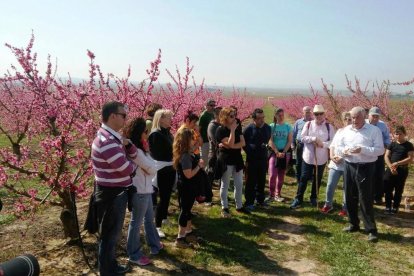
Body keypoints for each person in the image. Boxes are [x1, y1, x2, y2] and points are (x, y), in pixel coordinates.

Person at [91, 101, 137, 275]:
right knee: (110, 235)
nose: (126, 118)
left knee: (112, 233)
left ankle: (110, 265)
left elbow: (131, 155)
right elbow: (127, 168)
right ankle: (107, 270)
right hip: (112, 196)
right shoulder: (107, 141)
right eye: (123, 115)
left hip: (114, 193)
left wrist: (128, 146)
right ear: (112, 116)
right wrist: (134, 166)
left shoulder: (112, 137)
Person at [335, 106, 384, 242]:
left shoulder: (374, 131)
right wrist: (344, 151)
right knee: (349, 196)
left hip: (366, 167)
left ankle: (371, 229)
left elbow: (380, 150)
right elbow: (338, 146)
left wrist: (362, 149)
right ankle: (353, 223)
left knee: (365, 198)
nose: (354, 120)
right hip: (349, 165)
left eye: (357, 117)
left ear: (364, 117)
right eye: (352, 117)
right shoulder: (345, 131)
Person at [124, 118, 163, 266]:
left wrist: (149, 168)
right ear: (139, 132)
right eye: (145, 132)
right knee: (136, 222)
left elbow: (151, 167)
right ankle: (133, 253)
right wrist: (150, 168)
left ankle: (154, 244)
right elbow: (152, 168)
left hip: (145, 189)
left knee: (149, 219)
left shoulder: (140, 148)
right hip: (139, 190)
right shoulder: (136, 151)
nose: (147, 134)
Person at [290, 105, 335, 209]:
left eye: (320, 113)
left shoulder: (329, 127)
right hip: (308, 157)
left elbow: (333, 142)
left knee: (317, 179)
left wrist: (322, 144)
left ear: (324, 114)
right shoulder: (308, 124)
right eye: (316, 114)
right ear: (313, 115)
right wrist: (313, 139)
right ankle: (298, 198)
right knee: (304, 178)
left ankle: (313, 197)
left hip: (321, 158)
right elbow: (302, 137)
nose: (318, 116)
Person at [173, 128, 206, 248]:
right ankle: (180, 238)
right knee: (185, 211)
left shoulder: (186, 151)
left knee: (187, 210)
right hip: (187, 187)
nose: (195, 140)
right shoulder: (185, 156)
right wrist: (199, 166)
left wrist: (196, 144)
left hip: (188, 186)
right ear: (187, 140)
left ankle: (188, 232)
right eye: (192, 138)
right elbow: (188, 175)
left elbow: (194, 148)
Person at [216, 107, 248, 217]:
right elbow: (230, 143)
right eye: (231, 115)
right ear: (225, 117)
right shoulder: (220, 130)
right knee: (225, 184)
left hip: (237, 159)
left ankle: (239, 206)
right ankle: (224, 207)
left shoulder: (237, 125)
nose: (234, 117)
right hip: (226, 159)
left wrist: (232, 146)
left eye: (234, 114)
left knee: (239, 184)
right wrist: (233, 131)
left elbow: (243, 143)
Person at [148, 109, 176, 238]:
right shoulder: (155, 134)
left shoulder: (167, 132)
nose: (171, 119)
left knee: (167, 195)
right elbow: (158, 154)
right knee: (163, 197)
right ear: (161, 119)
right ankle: (157, 226)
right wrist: (174, 154)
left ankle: (164, 217)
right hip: (162, 169)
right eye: (168, 117)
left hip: (170, 167)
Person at [320, 112, 352, 215]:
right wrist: (332, 156)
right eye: (346, 119)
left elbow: (352, 149)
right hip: (335, 163)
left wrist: (342, 158)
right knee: (330, 185)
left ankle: (345, 208)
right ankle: (328, 205)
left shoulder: (355, 133)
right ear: (343, 120)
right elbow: (332, 145)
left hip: (347, 163)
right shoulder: (339, 131)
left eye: (350, 119)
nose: (348, 121)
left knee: (346, 187)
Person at [243, 108, 271, 210]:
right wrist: (250, 151)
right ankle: (249, 202)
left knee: (261, 181)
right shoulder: (248, 129)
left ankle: (260, 200)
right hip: (251, 160)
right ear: (254, 119)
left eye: (263, 117)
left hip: (263, 159)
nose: (262, 120)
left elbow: (267, 139)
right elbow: (243, 143)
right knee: (250, 182)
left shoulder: (267, 128)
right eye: (259, 118)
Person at [383, 125, 414, 214]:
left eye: (400, 134)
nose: (398, 136)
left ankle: (395, 207)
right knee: (388, 189)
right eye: (396, 134)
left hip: (402, 170)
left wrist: (397, 163)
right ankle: (388, 206)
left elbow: (410, 158)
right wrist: (391, 167)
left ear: (404, 134)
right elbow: (386, 156)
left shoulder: (409, 145)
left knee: (398, 189)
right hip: (390, 169)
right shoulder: (392, 144)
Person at [266, 108, 293, 203]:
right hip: (274, 152)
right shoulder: (271, 126)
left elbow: (290, 140)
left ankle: (278, 194)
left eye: (282, 115)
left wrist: (284, 152)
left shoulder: (288, 126)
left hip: (285, 153)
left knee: (281, 174)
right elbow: (270, 140)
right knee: (272, 174)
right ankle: (271, 194)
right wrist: (277, 152)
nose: (281, 117)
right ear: (275, 116)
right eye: (279, 115)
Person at [366, 106, 391, 205]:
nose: (375, 118)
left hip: (379, 153)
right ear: (369, 115)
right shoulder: (363, 124)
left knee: (379, 175)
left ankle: (378, 196)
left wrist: (385, 146)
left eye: (377, 116)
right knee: (368, 175)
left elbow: (387, 138)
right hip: (367, 153)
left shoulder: (382, 125)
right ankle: (367, 196)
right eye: (373, 116)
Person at [292, 106, 313, 183]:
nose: (308, 113)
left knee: (309, 161)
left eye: (309, 111)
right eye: (306, 112)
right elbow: (294, 134)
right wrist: (292, 144)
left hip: (309, 145)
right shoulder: (298, 122)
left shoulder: (313, 122)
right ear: (303, 113)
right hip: (300, 144)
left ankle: (309, 177)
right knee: (298, 162)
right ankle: (298, 178)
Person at [206, 106, 223, 191]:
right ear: (216, 115)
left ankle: (221, 193)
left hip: (222, 153)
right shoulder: (212, 125)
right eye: (221, 113)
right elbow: (214, 141)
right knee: (211, 173)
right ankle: (207, 195)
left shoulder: (222, 124)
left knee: (222, 173)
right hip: (213, 153)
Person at [199, 99, 216, 166]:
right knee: (204, 159)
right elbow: (199, 128)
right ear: (207, 106)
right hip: (205, 140)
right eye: (211, 105)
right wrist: (200, 139)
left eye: (214, 105)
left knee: (211, 158)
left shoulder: (213, 114)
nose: (213, 107)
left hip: (211, 140)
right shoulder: (203, 115)